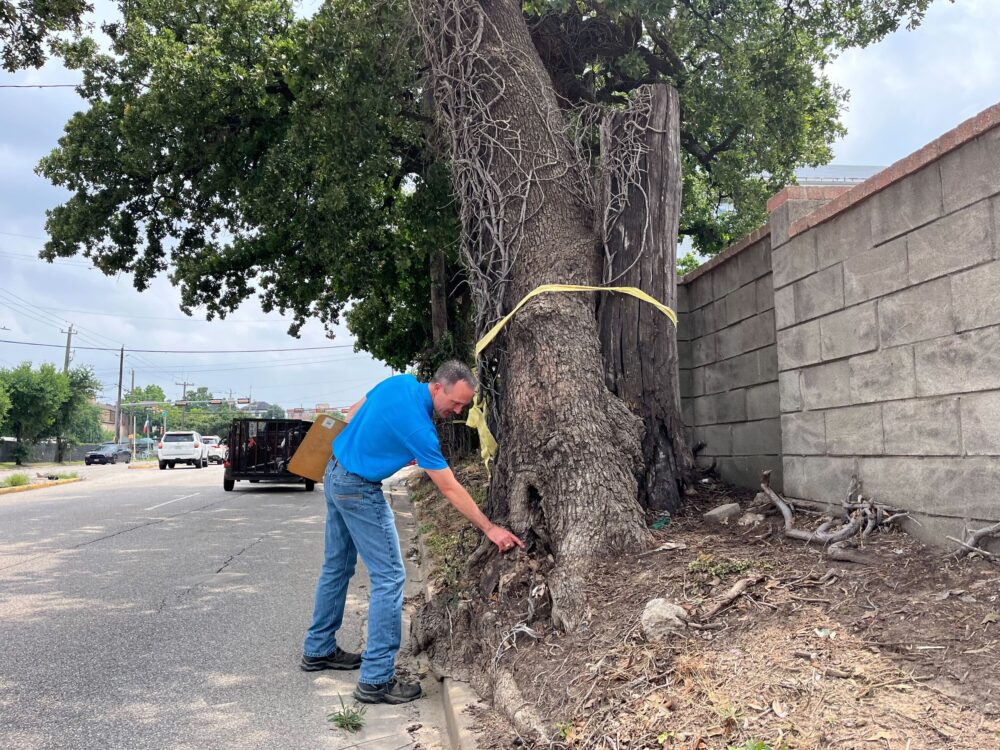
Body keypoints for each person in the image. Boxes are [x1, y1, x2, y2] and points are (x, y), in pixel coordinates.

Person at [301, 360, 524, 704]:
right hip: (359, 489)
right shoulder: (420, 429)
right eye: (455, 403)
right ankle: (375, 679)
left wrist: (369, 442)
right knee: (390, 578)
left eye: (464, 405)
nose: (458, 411)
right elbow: (449, 488)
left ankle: (318, 648)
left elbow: (355, 408)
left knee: (337, 567)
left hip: (335, 473)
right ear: (438, 388)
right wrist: (490, 528)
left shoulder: (400, 383)